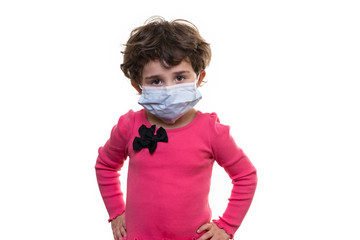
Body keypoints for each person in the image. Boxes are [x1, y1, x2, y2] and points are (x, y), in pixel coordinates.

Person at [95, 16, 257, 240]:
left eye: (180, 77)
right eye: (156, 81)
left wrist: (226, 226)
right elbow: (105, 165)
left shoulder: (211, 130)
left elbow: (245, 176)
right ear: (137, 85)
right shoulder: (128, 125)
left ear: (199, 78)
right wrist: (116, 212)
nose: (169, 89)